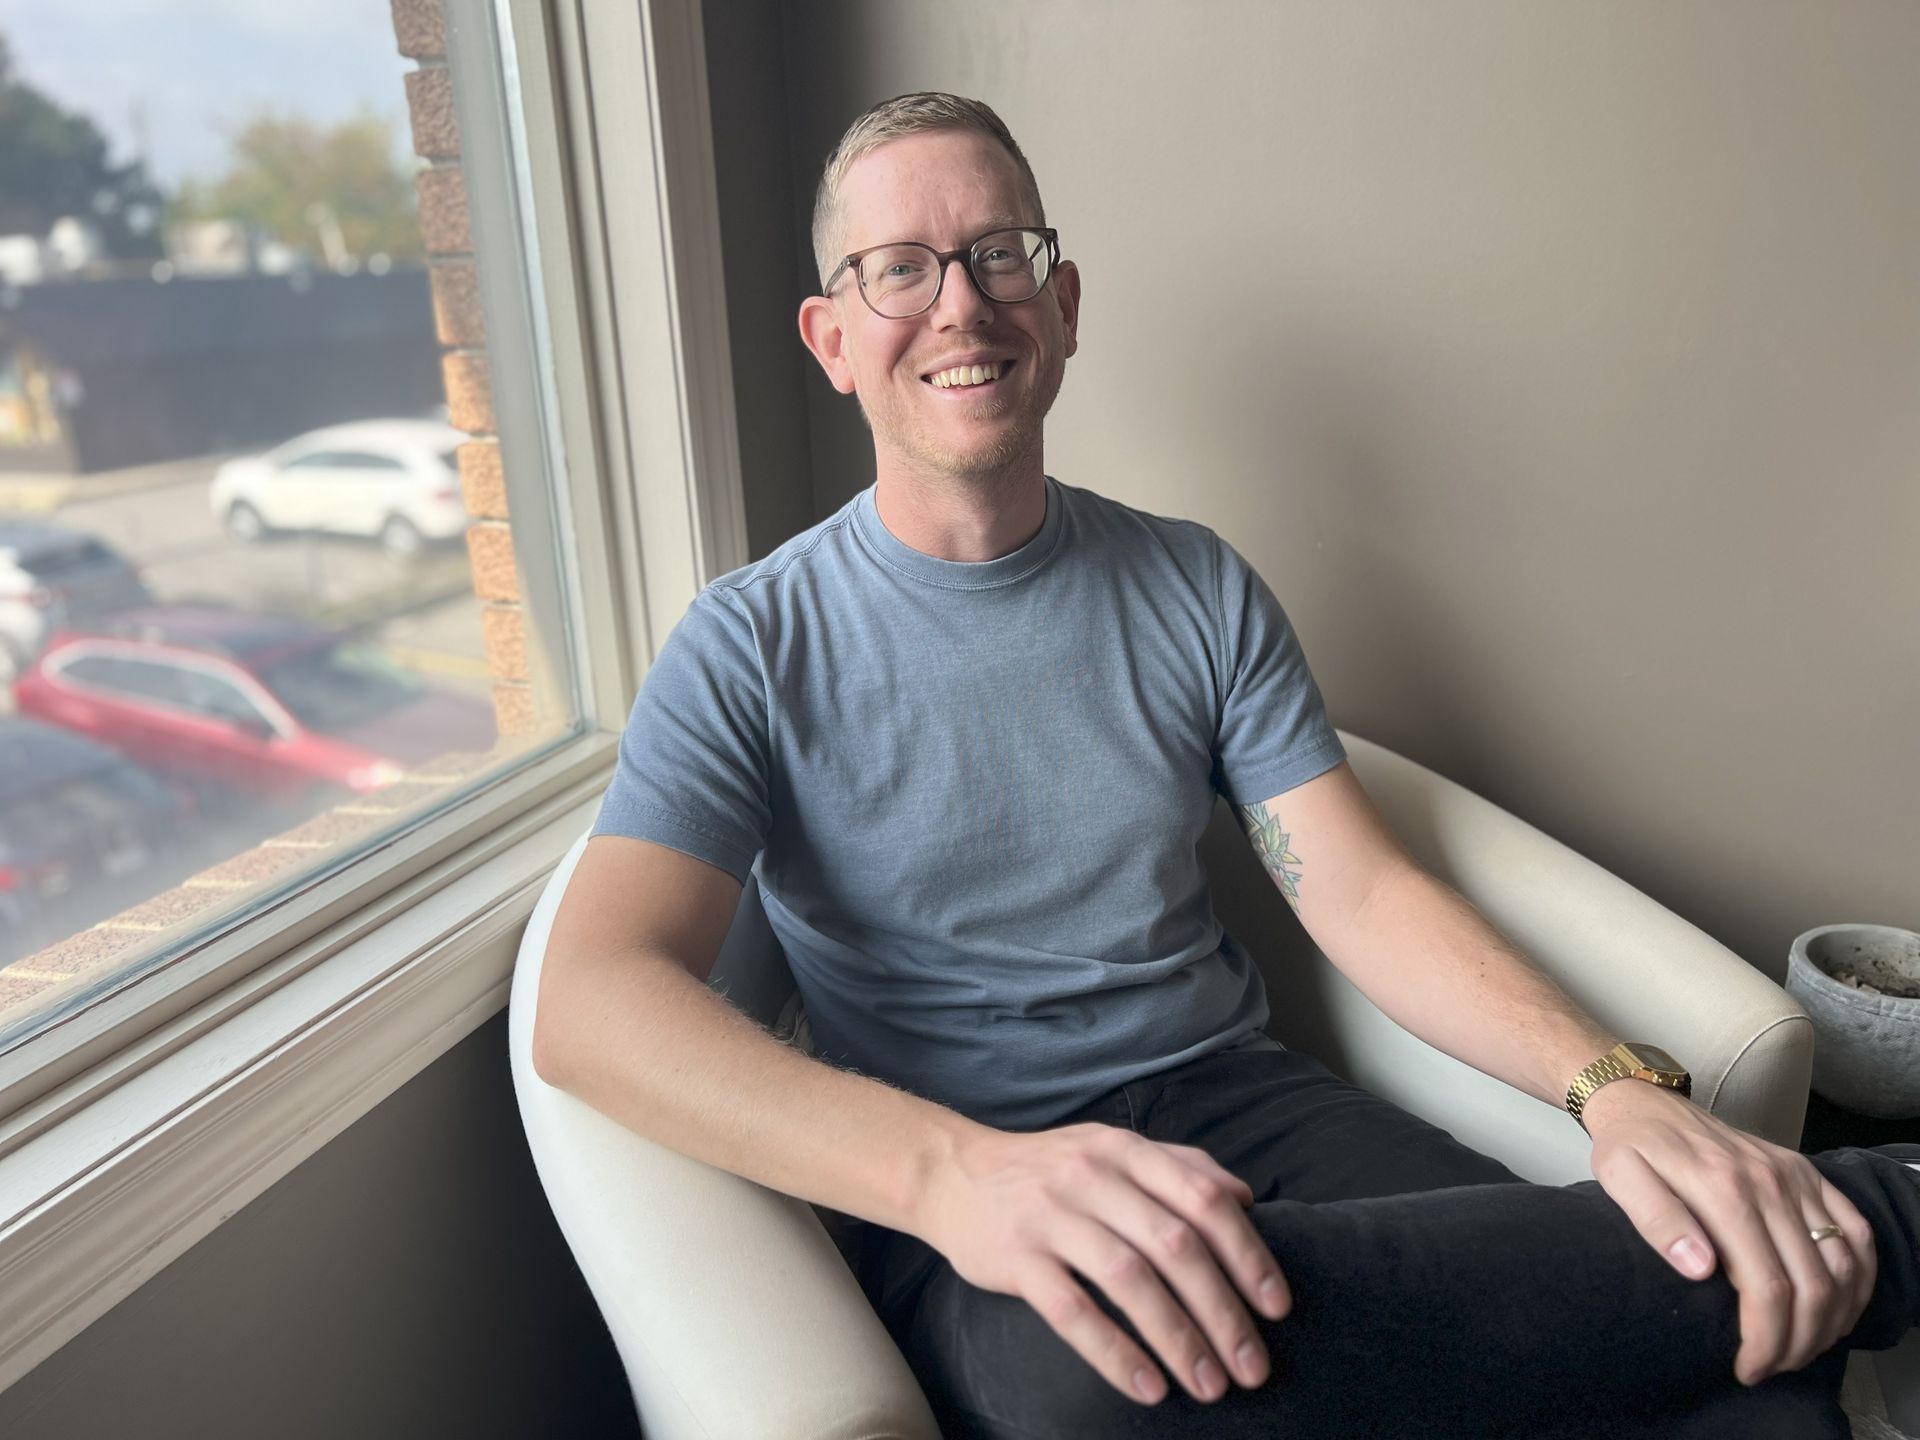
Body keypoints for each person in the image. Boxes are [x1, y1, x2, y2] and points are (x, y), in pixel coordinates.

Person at [534, 92, 1919, 1438]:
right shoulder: (749, 641)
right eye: (900, 269)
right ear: (833, 338)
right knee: (1091, 1383)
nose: (960, 305)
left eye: (1000, 253)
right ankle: (1890, 1213)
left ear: (1063, 304)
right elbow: (593, 1002)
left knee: (1740, 1361)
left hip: (1239, 1104)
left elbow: (1363, 896)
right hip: (971, 1189)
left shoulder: (1195, 585)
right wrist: (953, 1176)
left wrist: (1613, 1089)